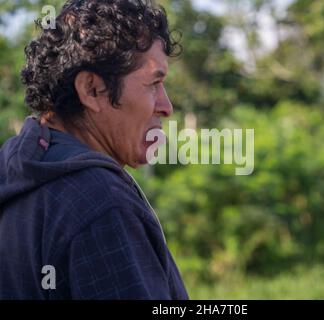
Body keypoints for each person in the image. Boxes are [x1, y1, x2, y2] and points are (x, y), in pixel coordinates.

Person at [0, 0, 188, 299]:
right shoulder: (101, 203)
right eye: (154, 84)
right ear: (91, 89)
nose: (166, 107)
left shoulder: (14, 170)